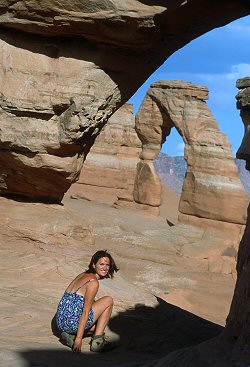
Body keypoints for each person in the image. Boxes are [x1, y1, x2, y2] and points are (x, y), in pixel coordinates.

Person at [56, 250, 119, 353]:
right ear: (94, 265)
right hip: (72, 322)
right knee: (108, 300)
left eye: (107, 265)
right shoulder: (93, 282)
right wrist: (79, 340)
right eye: (101, 264)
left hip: (61, 323)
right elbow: (86, 311)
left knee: (98, 326)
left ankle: (70, 335)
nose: (105, 268)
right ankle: (97, 343)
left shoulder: (83, 274)